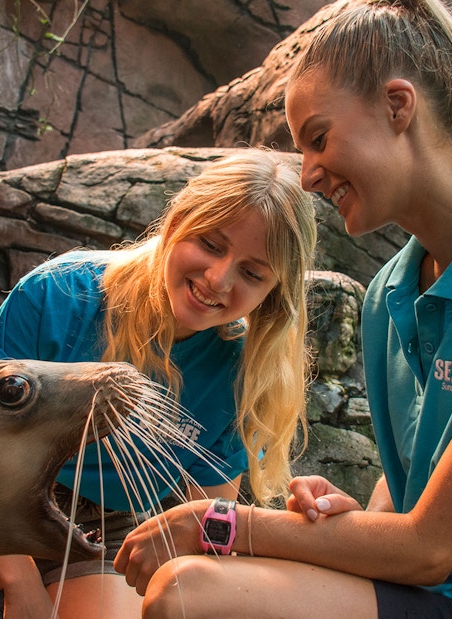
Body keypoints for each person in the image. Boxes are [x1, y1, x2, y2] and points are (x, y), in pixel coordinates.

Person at [113, 1, 452, 617]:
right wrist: (353, 523)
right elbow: (406, 497)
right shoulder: (389, 297)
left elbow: (432, 547)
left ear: (398, 106)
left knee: (191, 591)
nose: (310, 175)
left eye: (318, 139)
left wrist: (220, 523)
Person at [0, 148, 317, 618]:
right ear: (177, 221)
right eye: (210, 243)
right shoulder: (58, 293)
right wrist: (23, 586)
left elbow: (203, 515)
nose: (218, 279)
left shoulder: (241, 371)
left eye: (251, 273)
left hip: (110, 523)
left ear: (272, 293)